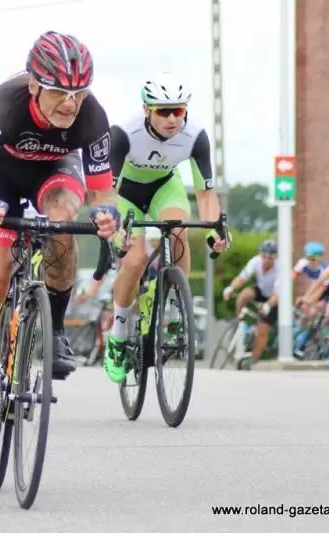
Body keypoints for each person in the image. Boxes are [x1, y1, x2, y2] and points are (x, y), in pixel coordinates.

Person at [0, 31, 120, 454]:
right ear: (33, 85)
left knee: (61, 221)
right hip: (2, 180)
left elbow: (103, 193)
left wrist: (106, 214)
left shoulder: (92, 116)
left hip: (56, 172)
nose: (70, 104)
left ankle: (55, 329)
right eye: (59, 92)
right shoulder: (4, 107)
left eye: (79, 93)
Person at [103, 72, 227, 383]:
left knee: (179, 230)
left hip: (164, 188)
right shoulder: (123, 133)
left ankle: (173, 308)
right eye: (164, 111)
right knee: (134, 260)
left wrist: (214, 230)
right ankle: (118, 334)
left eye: (179, 110)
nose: (172, 119)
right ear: (147, 110)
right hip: (125, 194)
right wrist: (116, 232)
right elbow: (108, 192)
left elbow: (205, 194)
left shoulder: (195, 136)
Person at [222, 240, 278, 367]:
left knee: (262, 331)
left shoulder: (280, 269)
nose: (266, 260)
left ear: (275, 258)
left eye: (270, 258)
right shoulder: (255, 261)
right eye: (264, 256)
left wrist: (268, 306)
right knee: (244, 294)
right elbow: (242, 278)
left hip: (273, 298)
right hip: (260, 291)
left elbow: (277, 294)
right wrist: (231, 288)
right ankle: (240, 321)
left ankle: (252, 359)